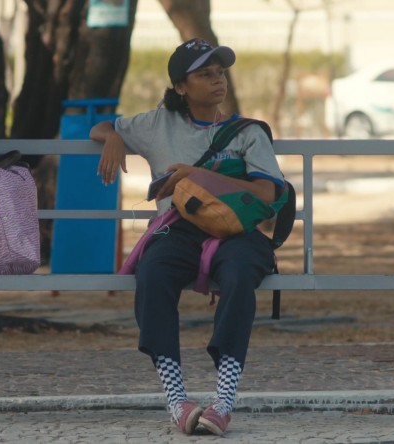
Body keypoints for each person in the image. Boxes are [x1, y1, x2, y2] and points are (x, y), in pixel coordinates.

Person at [90, 38, 286, 436]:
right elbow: (101, 125)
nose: (217, 81)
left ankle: (224, 401)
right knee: (154, 274)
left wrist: (195, 176)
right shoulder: (157, 124)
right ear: (181, 86)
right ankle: (177, 400)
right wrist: (112, 136)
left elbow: (269, 195)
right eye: (204, 74)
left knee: (239, 276)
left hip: (236, 230)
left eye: (219, 73)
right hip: (178, 229)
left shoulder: (246, 132)